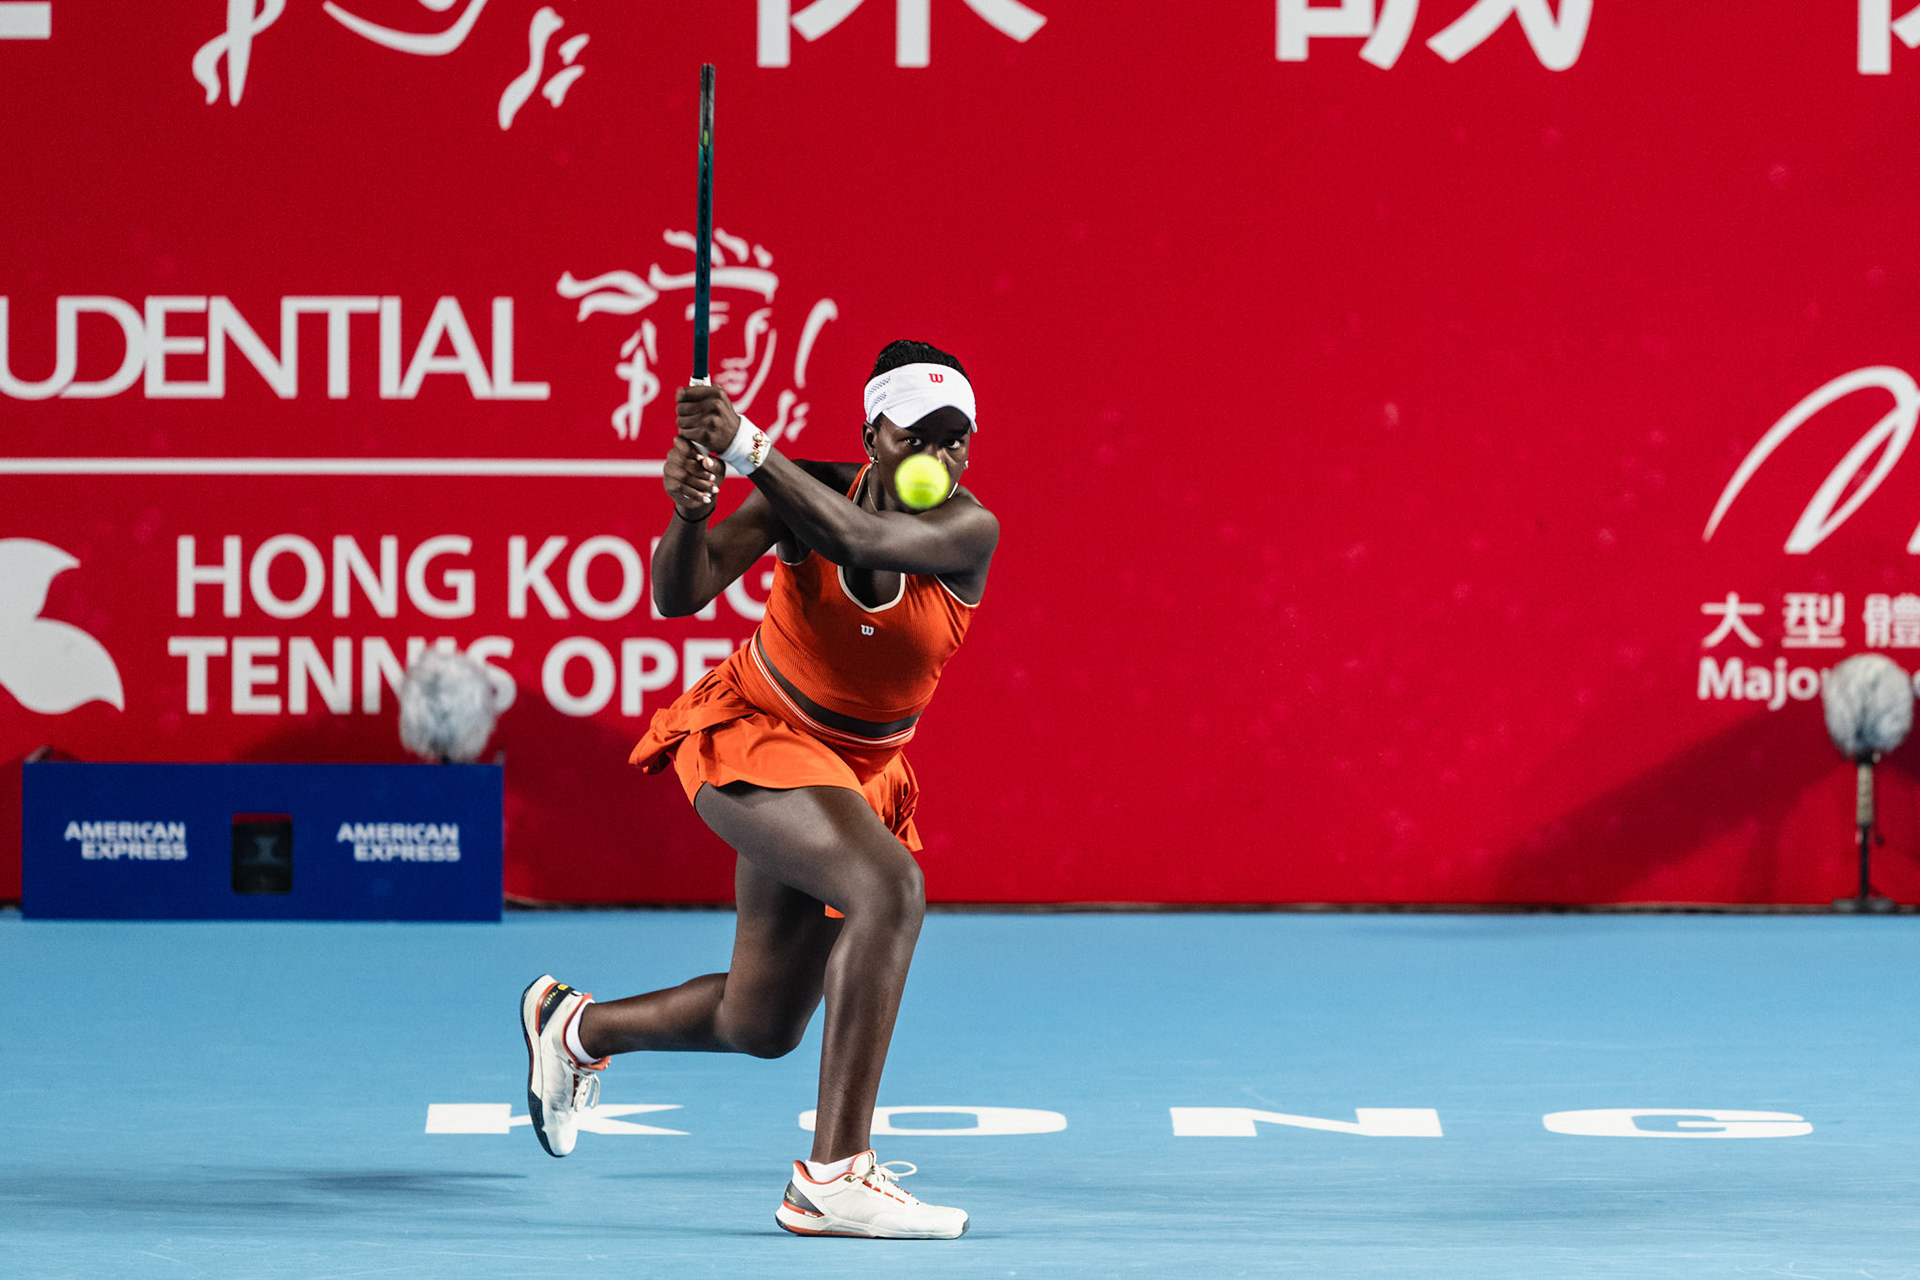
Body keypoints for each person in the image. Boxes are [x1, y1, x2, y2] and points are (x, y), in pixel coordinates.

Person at [520, 339, 999, 1240]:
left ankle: (574, 1027)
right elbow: (679, 592)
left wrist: (745, 445)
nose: (940, 459)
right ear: (872, 436)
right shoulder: (794, 491)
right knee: (889, 887)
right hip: (759, 734)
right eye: (918, 436)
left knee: (762, 1020)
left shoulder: (967, 530)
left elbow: (858, 536)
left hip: (853, 771)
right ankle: (834, 1177)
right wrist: (690, 513)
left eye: (957, 440)